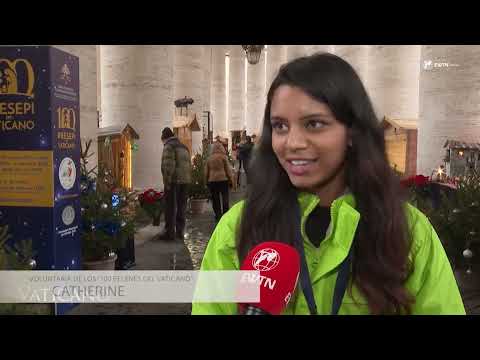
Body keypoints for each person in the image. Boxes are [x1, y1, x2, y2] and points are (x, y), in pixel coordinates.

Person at [192, 53, 465, 315]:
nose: (293, 143)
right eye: (280, 126)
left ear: (352, 132)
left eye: (314, 124)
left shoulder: (409, 234)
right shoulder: (237, 229)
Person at [160, 127, 192, 241]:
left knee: (170, 207)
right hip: (185, 181)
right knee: (182, 207)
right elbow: (189, 165)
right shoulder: (184, 147)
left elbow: (168, 165)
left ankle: (169, 233)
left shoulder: (169, 146)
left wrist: (167, 181)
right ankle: (180, 232)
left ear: (164, 138)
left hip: (174, 181)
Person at [206, 141, 234, 223]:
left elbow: (206, 172)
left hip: (212, 180)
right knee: (225, 197)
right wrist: (231, 180)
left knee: (215, 199)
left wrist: (206, 180)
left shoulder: (209, 158)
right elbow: (228, 170)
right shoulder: (223, 157)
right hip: (223, 180)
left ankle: (218, 215)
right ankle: (225, 214)